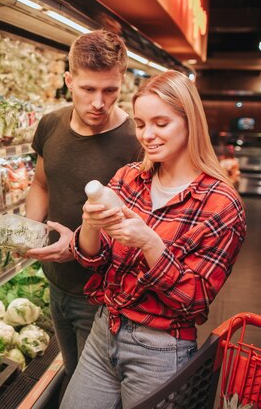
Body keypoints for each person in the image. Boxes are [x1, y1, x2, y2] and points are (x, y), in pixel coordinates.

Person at [33, 70, 246, 408]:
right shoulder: (130, 177)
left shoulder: (220, 205)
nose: (148, 135)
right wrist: (89, 224)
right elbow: (94, 259)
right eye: (142, 124)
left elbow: (194, 301)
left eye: (161, 123)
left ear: (189, 122)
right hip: (104, 331)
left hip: (160, 350)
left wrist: (150, 244)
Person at [25, 29, 142, 389]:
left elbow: (139, 222)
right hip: (57, 284)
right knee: (72, 374)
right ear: (68, 80)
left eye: (110, 90)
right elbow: (41, 184)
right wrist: (27, 230)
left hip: (104, 297)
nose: (98, 102)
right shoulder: (50, 125)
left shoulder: (137, 141)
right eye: (88, 89)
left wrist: (74, 244)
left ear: (122, 82)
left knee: (91, 392)